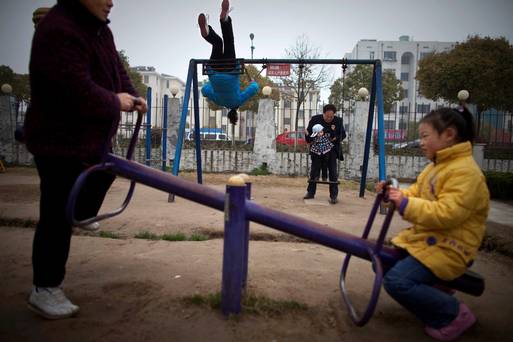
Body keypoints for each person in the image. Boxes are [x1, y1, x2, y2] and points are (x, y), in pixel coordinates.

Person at [23, 0, 147, 319]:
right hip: (58, 141)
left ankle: (80, 213)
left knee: (104, 175)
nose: (111, 1)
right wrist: (114, 100)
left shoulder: (99, 31)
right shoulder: (59, 31)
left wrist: (132, 95)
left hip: (88, 143)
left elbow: (116, 70)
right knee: (55, 215)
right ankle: (45, 288)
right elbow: (73, 89)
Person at [377, 106, 489, 341]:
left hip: (450, 247)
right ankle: (435, 290)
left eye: (426, 136)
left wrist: (405, 204)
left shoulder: (466, 173)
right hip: (431, 243)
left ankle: (453, 314)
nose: (421, 142)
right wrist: (395, 194)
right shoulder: (435, 168)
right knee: (382, 262)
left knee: (397, 281)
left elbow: (448, 213)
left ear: (448, 134)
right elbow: (417, 192)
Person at [198, 0, 259, 125]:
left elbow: (253, 89)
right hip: (214, 70)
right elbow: (204, 90)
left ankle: (224, 19)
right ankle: (207, 32)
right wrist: (213, 83)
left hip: (231, 69)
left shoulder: (238, 101)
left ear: (235, 112)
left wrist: (252, 81)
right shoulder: (219, 101)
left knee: (228, 41)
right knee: (217, 43)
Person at [304, 104, 346, 204]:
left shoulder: (338, 121)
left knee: (332, 171)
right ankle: (310, 192)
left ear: (334, 115)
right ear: (323, 113)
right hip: (317, 150)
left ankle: (333, 195)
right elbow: (309, 133)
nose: (329, 119)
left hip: (331, 150)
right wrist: (309, 137)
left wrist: (334, 138)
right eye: (327, 116)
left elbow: (343, 135)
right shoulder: (315, 119)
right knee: (314, 171)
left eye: (331, 117)